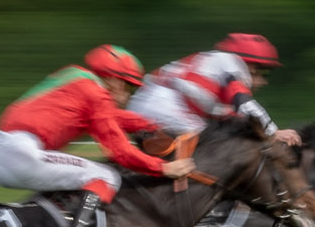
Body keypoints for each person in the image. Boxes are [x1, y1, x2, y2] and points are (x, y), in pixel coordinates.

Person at [0, 45, 194, 227]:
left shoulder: (77, 78)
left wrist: (150, 126)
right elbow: (120, 152)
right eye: (127, 86)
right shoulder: (95, 93)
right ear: (113, 79)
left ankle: (54, 220)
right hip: (21, 153)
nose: (127, 95)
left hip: (2, 151)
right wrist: (164, 168)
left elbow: (109, 117)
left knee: (78, 173)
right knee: (106, 176)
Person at [130, 33, 303, 149]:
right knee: (222, 147)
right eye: (263, 72)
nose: (264, 81)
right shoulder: (232, 64)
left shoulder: (216, 67)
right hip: (162, 105)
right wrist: (273, 132)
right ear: (248, 64)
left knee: (231, 139)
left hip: (150, 103)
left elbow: (236, 119)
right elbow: (246, 104)